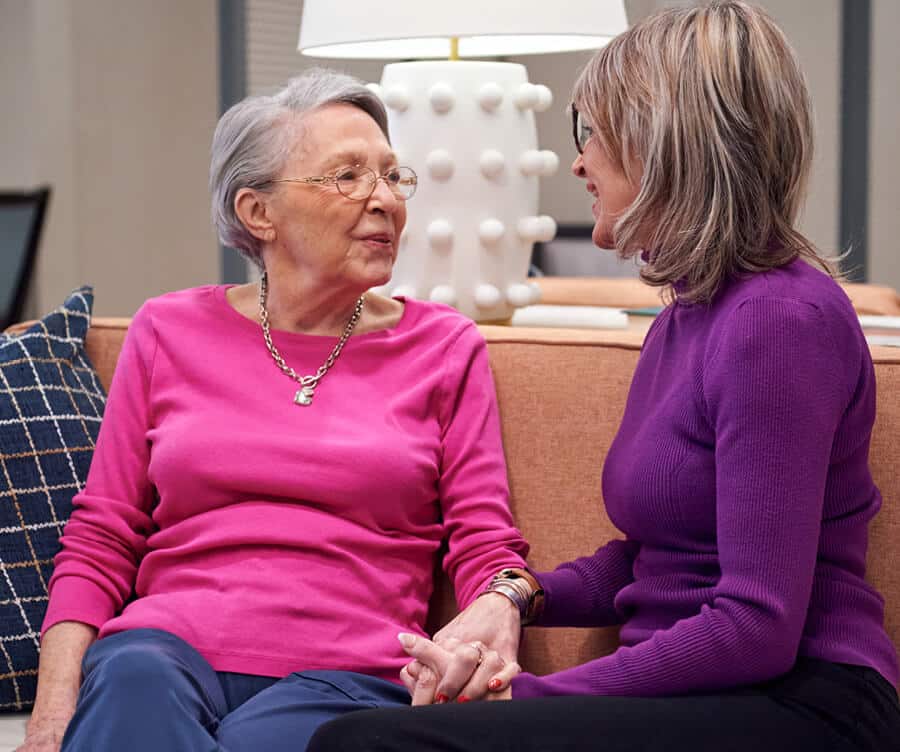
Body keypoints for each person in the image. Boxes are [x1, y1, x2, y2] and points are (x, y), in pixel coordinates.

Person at [306, 3, 900, 750]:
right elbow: (654, 557)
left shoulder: (777, 321)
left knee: (368, 742)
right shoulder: (688, 315)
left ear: (667, 147)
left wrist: (525, 695)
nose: (579, 162)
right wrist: (513, 596)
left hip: (807, 701)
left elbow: (757, 627)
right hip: (710, 692)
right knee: (358, 716)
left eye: (593, 133)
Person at [18, 68, 530, 752]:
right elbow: (100, 538)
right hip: (162, 652)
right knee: (133, 682)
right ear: (258, 212)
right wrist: (52, 719)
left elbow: (484, 541)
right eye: (348, 176)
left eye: (392, 175)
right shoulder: (167, 330)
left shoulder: (443, 346)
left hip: (349, 674)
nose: (384, 200)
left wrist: (502, 602)